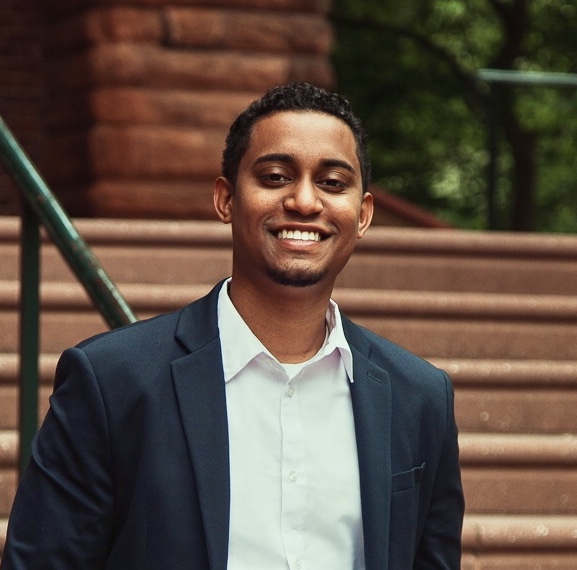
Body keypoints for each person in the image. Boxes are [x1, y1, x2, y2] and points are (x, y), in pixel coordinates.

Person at [1, 83, 464, 569]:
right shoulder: (111, 382)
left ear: (363, 214)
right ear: (226, 199)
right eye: (276, 176)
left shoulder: (421, 397)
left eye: (332, 182)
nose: (304, 201)